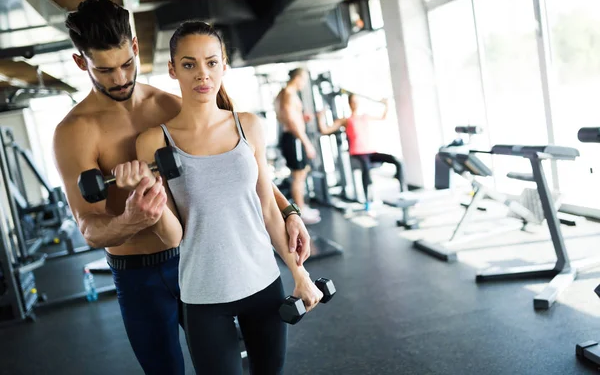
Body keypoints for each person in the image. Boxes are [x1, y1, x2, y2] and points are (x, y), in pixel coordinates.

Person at [52, 0, 312, 375]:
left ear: (137, 48)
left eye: (127, 64)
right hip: (138, 271)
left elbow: (240, 162)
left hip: (199, 258)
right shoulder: (74, 132)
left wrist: (288, 210)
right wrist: (130, 218)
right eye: (105, 70)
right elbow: (89, 227)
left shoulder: (171, 105)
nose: (121, 78)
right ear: (81, 63)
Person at [126, 20, 323, 374]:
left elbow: (267, 206)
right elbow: (173, 236)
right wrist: (145, 192)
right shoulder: (153, 142)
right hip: (203, 295)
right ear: (173, 70)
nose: (203, 74)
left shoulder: (247, 124)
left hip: (263, 283)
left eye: (212, 62)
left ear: (224, 66)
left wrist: (300, 274)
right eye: (189, 64)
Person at [317, 93, 406, 211]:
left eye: (357, 101)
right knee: (366, 167)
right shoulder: (346, 120)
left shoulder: (365, 116)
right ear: (349, 103)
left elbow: (383, 117)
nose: (355, 104)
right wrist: (320, 117)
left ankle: (403, 193)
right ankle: (367, 200)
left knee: (397, 161)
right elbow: (325, 130)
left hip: (371, 152)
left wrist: (386, 104)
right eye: (353, 101)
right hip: (357, 153)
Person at [274, 68, 321, 224]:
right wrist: (306, 143)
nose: (304, 83)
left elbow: (289, 117)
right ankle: (300, 211)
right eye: (304, 80)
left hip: (292, 136)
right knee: (298, 176)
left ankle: (302, 207)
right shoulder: (288, 93)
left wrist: (302, 118)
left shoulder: (283, 93)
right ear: (299, 78)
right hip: (294, 138)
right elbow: (291, 121)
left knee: (301, 173)